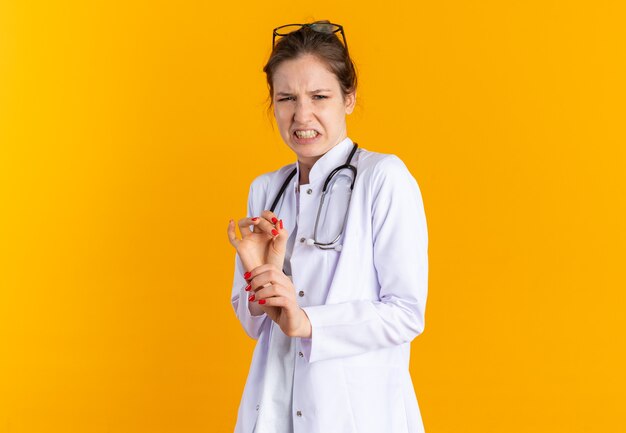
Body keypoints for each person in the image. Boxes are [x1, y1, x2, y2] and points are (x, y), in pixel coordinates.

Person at [227, 20, 429, 433]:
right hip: (275, 406)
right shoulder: (265, 190)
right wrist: (258, 280)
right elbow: (253, 324)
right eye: (286, 98)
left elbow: (406, 313)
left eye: (319, 96)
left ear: (348, 98)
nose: (302, 115)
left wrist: (308, 322)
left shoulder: (383, 178)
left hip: (356, 412)